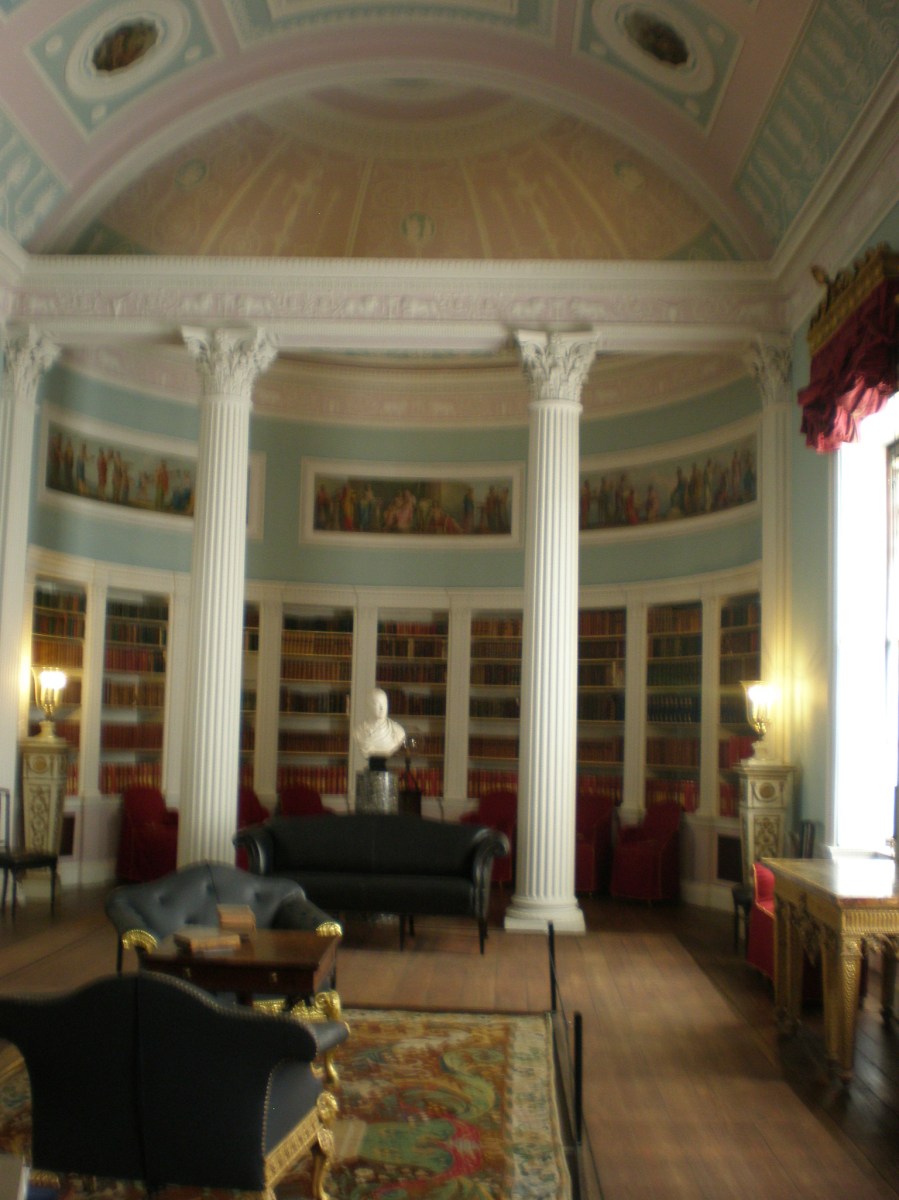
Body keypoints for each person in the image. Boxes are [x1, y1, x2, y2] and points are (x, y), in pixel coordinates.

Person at [353, 687, 406, 765]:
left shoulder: (398, 731)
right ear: (368, 705)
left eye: (384, 703)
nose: (382, 708)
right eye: (376, 704)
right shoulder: (358, 732)